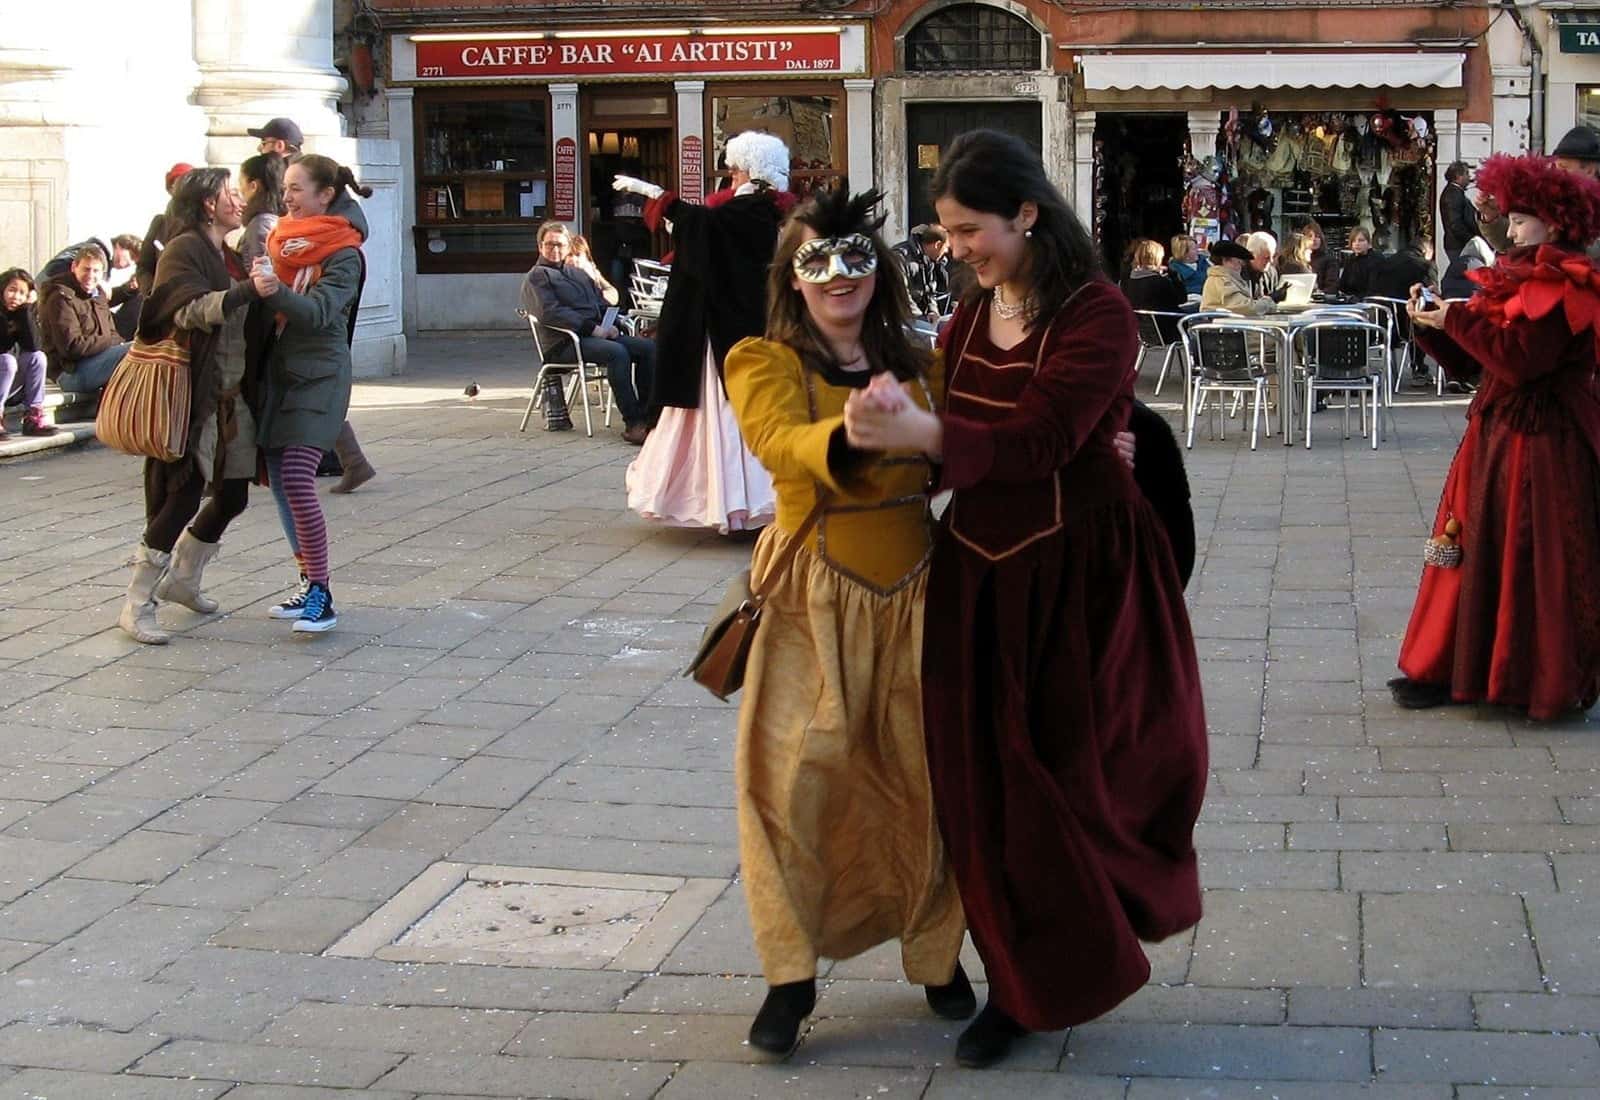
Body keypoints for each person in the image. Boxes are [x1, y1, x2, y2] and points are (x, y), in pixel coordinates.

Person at [842, 128, 1207, 1068]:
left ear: (1027, 214)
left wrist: (926, 432)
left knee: (1063, 782)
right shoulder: (968, 318)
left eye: (970, 230)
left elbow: (1043, 439)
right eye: (946, 231)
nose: (955, 247)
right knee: (982, 784)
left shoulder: (1098, 315)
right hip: (979, 572)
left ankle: (1041, 980)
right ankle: (1017, 975)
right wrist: (871, 443)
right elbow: (952, 440)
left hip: (1080, 578)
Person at [719, 186, 971, 1057]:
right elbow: (779, 440)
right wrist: (850, 436)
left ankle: (938, 956)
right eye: (817, 262)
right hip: (810, 592)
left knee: (926, 779)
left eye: (855, 259)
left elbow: (969, 437)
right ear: (792, 277)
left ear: (881, 270)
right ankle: (789, 975)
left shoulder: (920, 359)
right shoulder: (763, 360)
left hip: (919, 589)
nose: (839, 277)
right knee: (789, 783)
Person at [1391, 152, 1600, 720]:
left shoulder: (1566, 283)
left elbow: (1522, 361)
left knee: (1531, 555)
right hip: (1497, 437)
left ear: (1554, 223)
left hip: (1544, 444)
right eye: (1510, 218)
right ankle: (1459, 668)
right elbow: (1476, 363)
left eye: (1521, 219)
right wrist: (1433, 328)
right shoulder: (1514, 276)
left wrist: (1456, 321)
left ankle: (1525, 677)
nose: (1509, 228)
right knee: (1474, 549)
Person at [613, 130, 793, 532]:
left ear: (751, 171)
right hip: (725, 325)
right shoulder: (751, 210)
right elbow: (706, 228)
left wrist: (659, 195)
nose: (730, 176)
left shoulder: (750, 211)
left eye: (735, 170)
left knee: (728, 418)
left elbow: (702, 227)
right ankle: (730, 503)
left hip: (727, 330)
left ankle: (737, 504)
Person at [117, 168, 263, 644]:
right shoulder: (184, 248)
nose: (238, 201)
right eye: (229, 194)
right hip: (194, 394)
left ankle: (183, 578)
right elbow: (185, 311)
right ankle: (136, 604)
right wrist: (248, 291)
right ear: (206, 203)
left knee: (233, 494)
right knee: (181, 494)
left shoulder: (229, 250)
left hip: (231, 394)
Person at [248, 154, 371, 633]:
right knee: (279, 480)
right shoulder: (283, 240)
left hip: (320, 376)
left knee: (299, 477)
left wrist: (271, 291)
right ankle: (308, 581)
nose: (287, 196)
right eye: (286, 188)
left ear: (325, 196)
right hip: (278, 373)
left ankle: (322, 593)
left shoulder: (345, 253)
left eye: (297, 188)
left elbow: (319, 313)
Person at [520, 221, 655, 445]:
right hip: (563, 342)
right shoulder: (537, 276)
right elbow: (551, 313)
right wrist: (593, 328)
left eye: (560, 245)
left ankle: (649, 414)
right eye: (550, 244)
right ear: (540, 246)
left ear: (567, 246)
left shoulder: (577, 273)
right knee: (617, 352)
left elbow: (600, 303)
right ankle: (634, 422)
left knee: (648, 348)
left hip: (594, 335)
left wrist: (615, 323)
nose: (555, 250)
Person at [38, 242, 129, 394]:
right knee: (132, 351)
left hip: (96, 363)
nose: (91, 276)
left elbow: (113, 334)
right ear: (74, 267)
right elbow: (72, 347)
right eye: (86, 269)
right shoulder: (61, 298)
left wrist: (113, 342)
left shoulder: (98, 296)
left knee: (141, 350)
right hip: (70, 372)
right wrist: (106, 341)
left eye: (96, 271)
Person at [1, 268, 51, 439]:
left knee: (38, 357)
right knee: (7, 361)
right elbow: (2, 346)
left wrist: (26, 310)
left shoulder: (24, 313)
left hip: (11, 384)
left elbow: (34, 346)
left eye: (22, 293)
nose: (16, 297)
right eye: (12, 290)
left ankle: (33, 416)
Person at [136, 163, 194, 296]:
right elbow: (144, 266)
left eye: (187, 184)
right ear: (171, 188)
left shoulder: (205, 223)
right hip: (161, 301)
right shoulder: (160, 223)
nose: (182, 189)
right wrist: (151, 292)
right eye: (177, 183)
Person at [1118, 238, 1184, 340]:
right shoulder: (1159, 281)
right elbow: (1181, 299)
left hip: (1144, 329)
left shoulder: (1129, 280)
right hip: (1168, 329)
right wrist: (1174, 276)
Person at [1201, 238, 1278, 314]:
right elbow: (1246, 307)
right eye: (1238, 262)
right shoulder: (1221, 281)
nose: (1240, 266)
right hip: (1222, 325)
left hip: (1227, 323)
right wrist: (1270, 300)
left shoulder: (1226, 278)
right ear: (1225, 260)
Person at [892, 223, 952, 320]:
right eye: (946, 248)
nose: (946, 253)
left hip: (917, 318)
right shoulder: (900, 257)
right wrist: (921, 319)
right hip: (899, 319)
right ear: (938, 245)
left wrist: (933, 311)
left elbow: (930, 291)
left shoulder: (928, 260)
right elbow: (900, 295)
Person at [237, 154, 285, 268]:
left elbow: (261, 274)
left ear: (253, 186)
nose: (240, 190)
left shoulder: (261, 225)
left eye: (240, 183)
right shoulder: (276, 218)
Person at [1439, 161, 1477, 264]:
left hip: (1458, 245)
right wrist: (1473, 240)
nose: (1469, 178)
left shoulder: (1455, 192)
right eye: (1467, 174)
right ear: (1458, 176)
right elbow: (1455, 224)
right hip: (1459, 246)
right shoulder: (1453, 194)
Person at [568, 234, 620, 307]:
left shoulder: (592, 270)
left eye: (577, 254)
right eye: (569, 255)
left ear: (586, 257)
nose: (573, 259)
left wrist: (598, 277)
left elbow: (614, 295)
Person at [1337, 227, 1381, 298]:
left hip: (1369, 302)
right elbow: (1343, 286)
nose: (1357, 244)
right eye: (1354, 241)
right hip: (1351, 301)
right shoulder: (1351, 259)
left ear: (1368, 242)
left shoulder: (1376, 259)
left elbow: (1373, 289)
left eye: (1361, 240)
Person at [1302, 219, 1342, 294]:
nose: (1314, 239)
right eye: (1310, 236)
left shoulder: (1330, 260)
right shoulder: (1299, 259)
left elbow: (1332, 285)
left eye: (1317, 236)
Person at [1245, 231, 1283, 299]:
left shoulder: (1271, 272)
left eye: (1273, 256)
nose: (1271, 261)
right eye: (1266, 257)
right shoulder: (1238, 274)